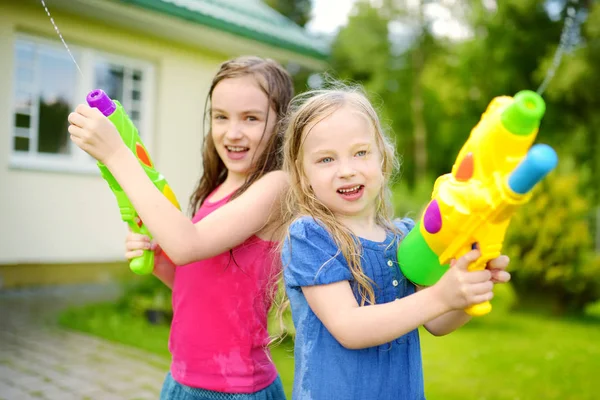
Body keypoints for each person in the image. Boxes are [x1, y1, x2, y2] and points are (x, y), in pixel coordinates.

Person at [68, 56, 293, 399]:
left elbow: (188, 244)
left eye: (251, 118)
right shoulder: (217, 191)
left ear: (280, 124)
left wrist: (116, 154)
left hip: (233, 389)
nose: (232, 132)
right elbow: (205, 280)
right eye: (221, 117)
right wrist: (162, 261)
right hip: (184, 379)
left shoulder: (275, 186)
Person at [278, 84, 511, 400]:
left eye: (360, 153)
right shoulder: (311, 237)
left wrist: (468, 288)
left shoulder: (405, 237)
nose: (347, 170)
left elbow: (439, 322)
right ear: (302, 174)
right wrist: (441, 296)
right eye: (326, 160)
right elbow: (349, 327)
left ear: (382, 157)